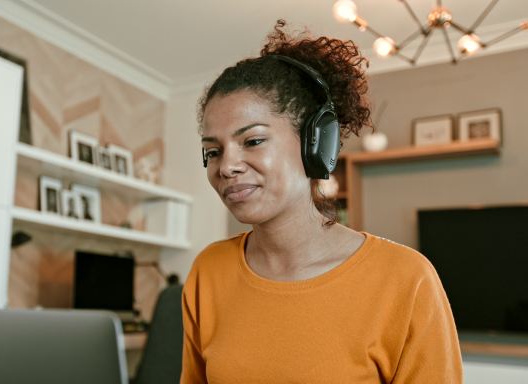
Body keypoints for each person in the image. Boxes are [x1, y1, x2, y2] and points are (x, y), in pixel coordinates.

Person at [180, 20, 462, 383]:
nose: (227, 166)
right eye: (214, 151)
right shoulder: (208, 272)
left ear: (315, 144)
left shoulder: (406, 280)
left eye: (252, 141)